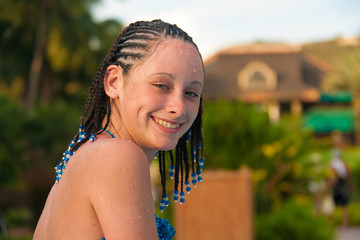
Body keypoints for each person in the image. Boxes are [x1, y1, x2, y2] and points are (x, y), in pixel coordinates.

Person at [33, 19, 205, 240]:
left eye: (191, 93)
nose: (178, 107)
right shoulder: (117, 156)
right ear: (114, 81)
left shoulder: (87, 153)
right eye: (161, 85)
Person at [329, 148, 351, 227]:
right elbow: (348, 175)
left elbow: (331, 176)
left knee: (332, 205)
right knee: (344, 205)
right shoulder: (344, 164)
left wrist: (331, 184)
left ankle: (331, 223)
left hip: (336, 185)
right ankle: (344, 223)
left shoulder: (332, 164)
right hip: (343, 184)